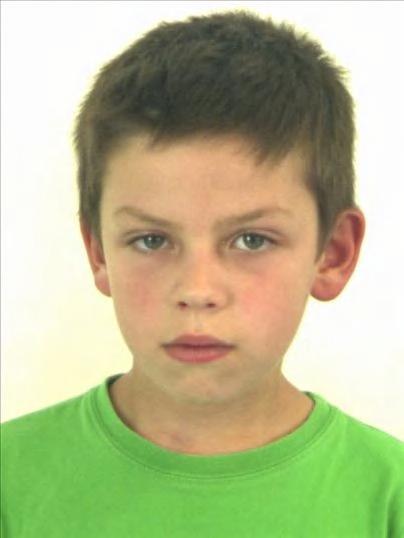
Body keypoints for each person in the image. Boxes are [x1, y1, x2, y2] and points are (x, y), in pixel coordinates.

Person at [1, 10, 403, 537]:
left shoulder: (388, 496)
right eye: (151, 240)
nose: (197, 290)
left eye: (251, 240)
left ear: (333, 253)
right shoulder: (11, 481)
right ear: (98, 252)